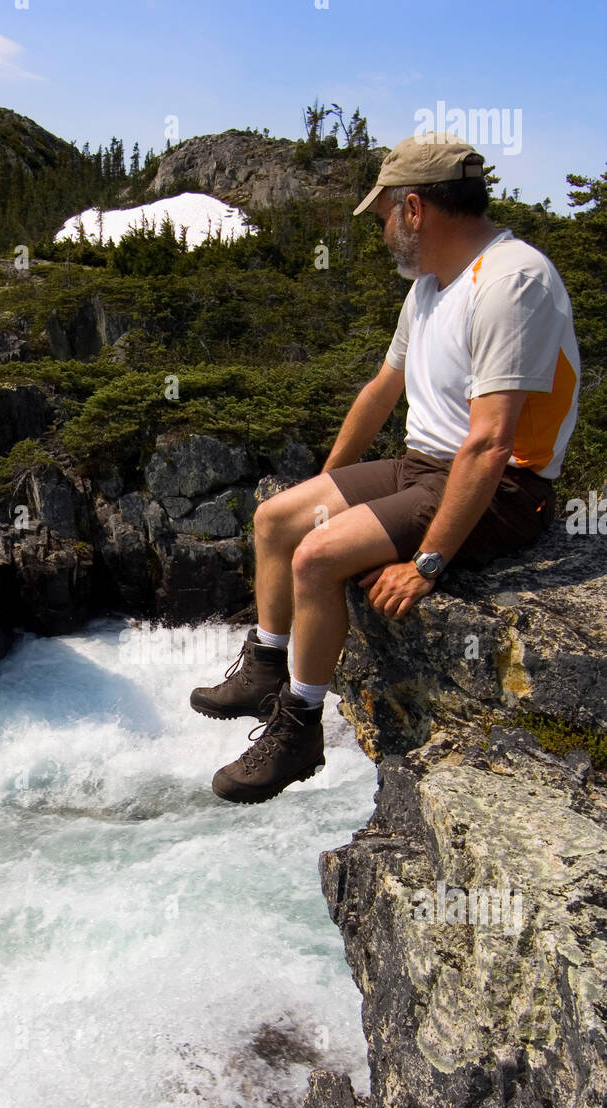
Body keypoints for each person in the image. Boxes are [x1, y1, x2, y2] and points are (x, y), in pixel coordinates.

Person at [191, 131, 580, 804]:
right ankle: (264, 667)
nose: (382, 234)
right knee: (279, 518)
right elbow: (381, 389)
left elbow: (489, 446)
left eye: (383, 218)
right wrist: (324, 484)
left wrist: (428, 562)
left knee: (316, 558)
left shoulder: (511, 281)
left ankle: (299, 730)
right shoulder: (432, 284)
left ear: (415, 210)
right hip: (422, 464)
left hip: (502, 488)